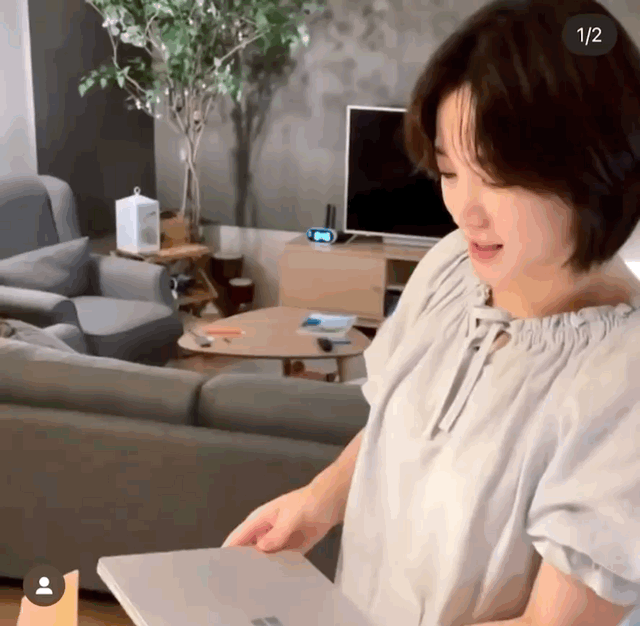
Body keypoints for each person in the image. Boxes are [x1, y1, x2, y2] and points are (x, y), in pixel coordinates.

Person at [223, 1, 640, 625]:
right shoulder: (450, 268)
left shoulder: (624, 380)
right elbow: (397, 426)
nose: (464, 211)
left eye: (496, 178)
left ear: (595, 168)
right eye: (448, 170)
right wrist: (317, 501)